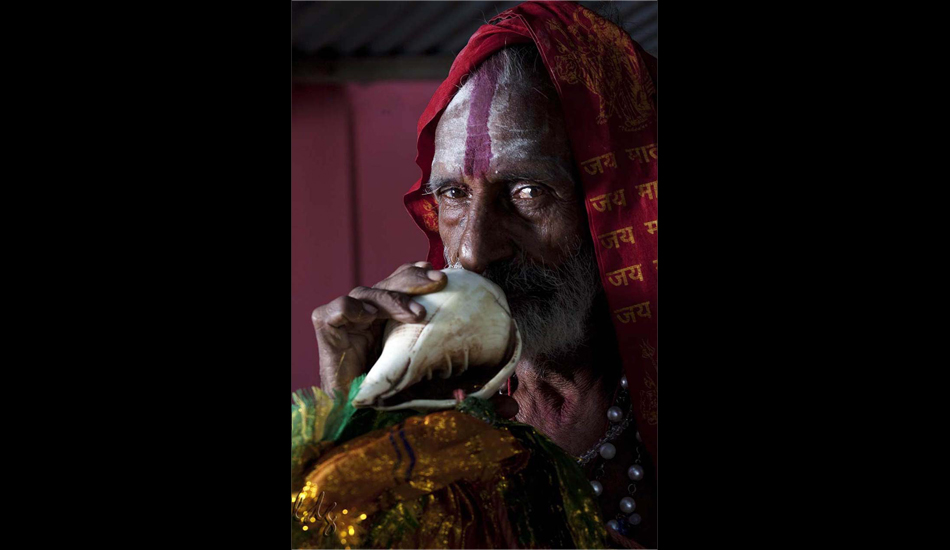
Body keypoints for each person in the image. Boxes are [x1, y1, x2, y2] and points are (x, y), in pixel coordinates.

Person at [307, 2, 657, 547]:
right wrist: (354, 442)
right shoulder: (437, 405)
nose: (472, 252)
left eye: (528, 193)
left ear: (623, 206)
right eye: (452, 194)